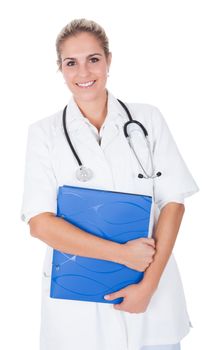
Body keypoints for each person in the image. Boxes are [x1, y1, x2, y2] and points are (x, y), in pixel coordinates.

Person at [20, 18, 199, 350]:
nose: (83, 72)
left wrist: (149, 285)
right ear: (59, 68)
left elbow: (173, 202)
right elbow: (40, 224)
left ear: (109, 60)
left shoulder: (147, 120)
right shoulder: (43, 134)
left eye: (93, 59)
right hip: (78, 313)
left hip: (152, 301)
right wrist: (122, 255)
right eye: (70, 63)